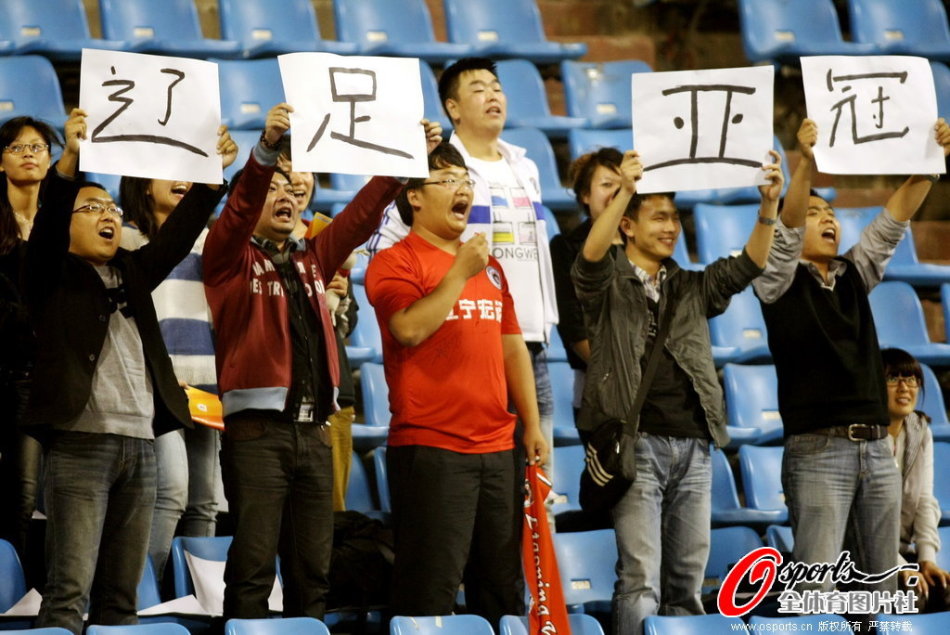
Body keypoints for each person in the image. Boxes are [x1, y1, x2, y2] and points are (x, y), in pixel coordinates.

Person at [202, 103, 442, 620]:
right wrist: (264, 152)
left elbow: (359, 218)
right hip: (256, 436)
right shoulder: (229, 257)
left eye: (294, 189)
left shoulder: (313, 256)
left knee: (315, 572)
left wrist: (403, 164)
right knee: (252, 569)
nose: (287, 195)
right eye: (275, 188)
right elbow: (240, 206)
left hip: (313, 433)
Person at [23, 109, 230, 635]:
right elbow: (46, 228)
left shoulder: (134, 269)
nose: (107, 214)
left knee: (122, 597)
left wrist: (211, 177)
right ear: (66, 222)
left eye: (111, 206)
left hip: (141, 443)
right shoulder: (48, 272)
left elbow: (179, 236)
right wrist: (67, 164)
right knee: (69, 591)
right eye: (90, 208)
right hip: (81, 444)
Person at [573, 150, 783, 635]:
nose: (671, 226)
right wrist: (625, 187)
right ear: (627, 225)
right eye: (659, 216)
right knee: (640, 578)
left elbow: (749, 265)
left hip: (696, 444)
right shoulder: (606, 281)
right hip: (637, 445)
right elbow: (588, 259)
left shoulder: (691, 285)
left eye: (675, 217)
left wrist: (768, 205)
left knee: (687, 583)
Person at [752, 118, 950, 599]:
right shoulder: (774, 280)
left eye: (833, 215)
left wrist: (931, 159)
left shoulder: (853, 272)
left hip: (878, 449)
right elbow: (788, 225)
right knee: (817, 588)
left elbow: (893, 220)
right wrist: (807, 162)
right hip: (818, 451)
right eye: (817, 213)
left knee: (882, 587)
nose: (828, 220)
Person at [365, 141, 549, 627]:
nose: (461, 189)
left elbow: (512, 346)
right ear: (414, 197)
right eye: (447, 181)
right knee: (429, 594)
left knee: (499, 593)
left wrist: (531, 423)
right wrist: (457, 274)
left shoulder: (489, 267)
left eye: (465, 181)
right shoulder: (395, 262)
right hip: (432, 448)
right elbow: (408, 328)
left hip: (496, 448)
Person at [368, 58, 558, 481]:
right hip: (469, 341)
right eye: (478, 88)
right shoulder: (436, 166)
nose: (493, 95)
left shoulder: (524, 166)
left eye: (497, 86)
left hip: (529, 341)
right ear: (452, 107)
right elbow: (383, 244)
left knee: (536, 485)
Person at [118, 131, 238, 583]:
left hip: (207, 389)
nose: (183, 179)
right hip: (156, 390)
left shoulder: (213, 241)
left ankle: (197, 600)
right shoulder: (127, 241)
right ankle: (141, 594)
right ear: (143, 182)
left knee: (205, 502)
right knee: (170, 491)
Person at [0, 116, 59, 567]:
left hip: (53, 375)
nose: (28, 153)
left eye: (38, 146)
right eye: (17, 147)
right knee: (18, 495)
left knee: (44, 496)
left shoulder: (65, 220)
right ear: (0, 162)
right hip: (7, 371)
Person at [549, 147, 624, 418]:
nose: (616, 193)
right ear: (585, 195)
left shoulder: (644, 242)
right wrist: (619, 373)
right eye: (606, 185)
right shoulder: (566, 248)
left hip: (658, 390)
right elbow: (573, 325)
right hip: (599, 388)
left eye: (622, 185)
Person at [880, 348, 950, 612]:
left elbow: (924, 501)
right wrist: (900, 568)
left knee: (943, 589)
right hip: (863, 556)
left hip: (902, 551)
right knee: (911, 593)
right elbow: (863, 519)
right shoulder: (863, 437)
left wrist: (927, 560)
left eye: (911, 379)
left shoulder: (920, 431)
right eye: (893, 378)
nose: (904, 388)